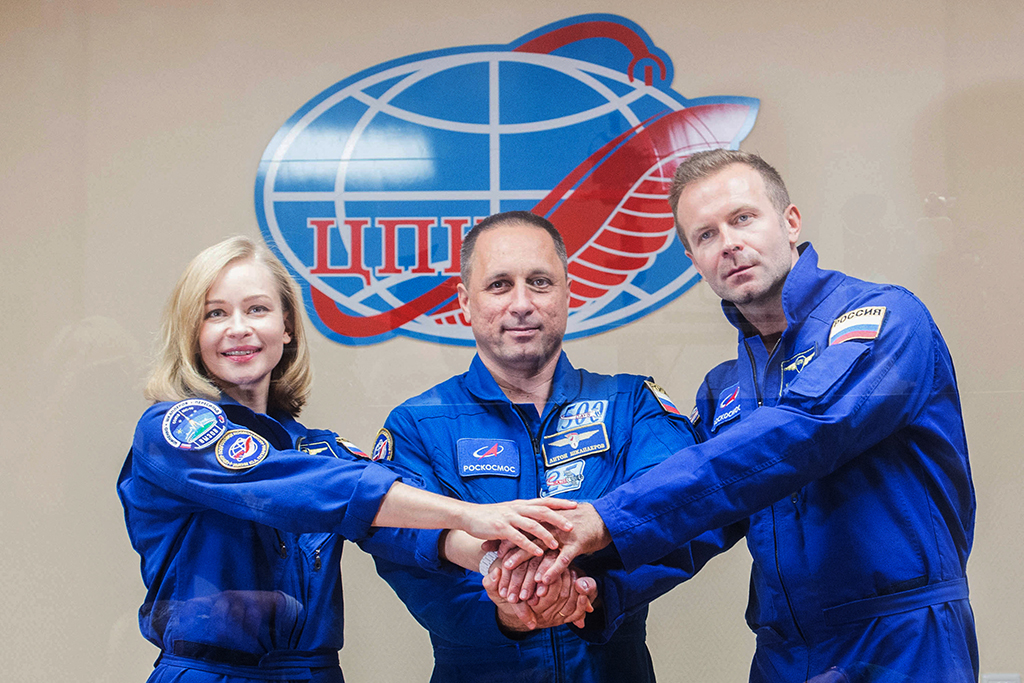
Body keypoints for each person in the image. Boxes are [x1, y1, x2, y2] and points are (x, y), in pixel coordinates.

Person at [528, 150, 979, 682]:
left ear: (790, 223)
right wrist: (593, 588)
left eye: (743, 218)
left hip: (901, 641)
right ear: (695, 261)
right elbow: (701, 519)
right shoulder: (726, 388)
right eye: (706, 236)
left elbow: (805, 431)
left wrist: (608, 518)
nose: (730, 244)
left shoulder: (885, 319)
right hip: (784, 652)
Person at [117, 236, 576, 683]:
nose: (239, 327)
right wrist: (473, 514)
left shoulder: (322, 450)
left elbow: (402, 527)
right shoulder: (172, 432)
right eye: (215, 313)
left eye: (257, 309)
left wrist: (512, 574)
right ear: (192, 332)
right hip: (211, 672)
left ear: (287, 326)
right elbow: (299, 486)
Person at [371, 211, 721, 683]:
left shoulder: (631, 405)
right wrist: (507, 613)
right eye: (498, 285)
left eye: (539, 282)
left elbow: (688, 516)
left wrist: (597, 594)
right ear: (464, 303)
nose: (521, 304)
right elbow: (400, 549)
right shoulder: (418, 425)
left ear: (567, 293)